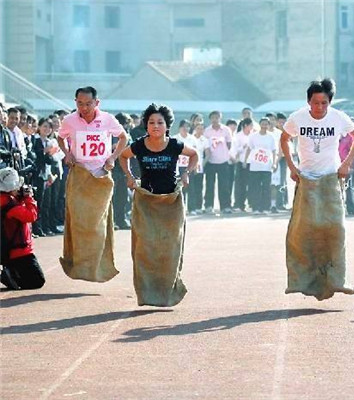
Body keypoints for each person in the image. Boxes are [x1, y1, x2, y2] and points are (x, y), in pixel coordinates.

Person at [280, 78, 354, 300]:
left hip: (331, 178)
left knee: (336, 228)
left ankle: (338, 279)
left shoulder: (338, 118)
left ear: (329, 102)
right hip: (306, 179)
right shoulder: (297, 118)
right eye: (316, 103)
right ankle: (300, 281)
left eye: (324, 103)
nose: (320, 108)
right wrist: (291, 166)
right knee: (303, 230)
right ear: (309, 101)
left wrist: (346, 163)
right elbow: (285, 138)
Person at [119, 103, 198, 307]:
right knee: (145, 247)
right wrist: (129, 176)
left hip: (170, 202)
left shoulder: (174, 145)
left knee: (169, 247)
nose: (155, 126)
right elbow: (123, 156)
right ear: (146, 125)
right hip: (146, 201)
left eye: (160, 122)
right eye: (151, 122)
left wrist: (186, 173)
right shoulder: (139, 145)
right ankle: (146, 293)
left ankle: (167, 291)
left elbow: (194, 155)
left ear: (167, 125)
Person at [57, 87, 128, 283]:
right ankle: (78, 264)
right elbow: (60, 137)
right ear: (75, 102)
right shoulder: (69, 120)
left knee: (98, 225)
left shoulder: (107, 120)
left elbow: (123, 137)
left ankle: (99, 267)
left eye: (88, 103)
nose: (84, 107)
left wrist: (113, 158)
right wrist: (67, 153)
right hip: (79, 174)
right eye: (80, 103)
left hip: (100, 176)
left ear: (97, 103)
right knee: (78, 222)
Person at [0, 167, 45, 290]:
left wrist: (21, 198)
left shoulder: (7, 199)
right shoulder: (8, 203)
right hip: (18, 251)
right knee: (37, 281)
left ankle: (12, 271)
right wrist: (29, 198)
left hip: (11, 249)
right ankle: (12, 274)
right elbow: (31, 216)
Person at [245, 118, 277, 214]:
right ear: (259, 124)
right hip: (255, 165)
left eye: (266, 124)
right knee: (255, 187)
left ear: (268, 125)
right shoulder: (253, 136)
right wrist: (246, 160)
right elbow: (249, 148)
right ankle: (256, 207)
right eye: (262, 124)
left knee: (266, 187)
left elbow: (274, 150)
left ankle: (265, 208)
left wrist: (274, 163)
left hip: (267, 166)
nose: (264, 126)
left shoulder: (271, 136)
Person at [204, 111, 232, 214]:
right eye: (213, 118)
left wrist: (223, 153)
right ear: (210, 119)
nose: (215, 119)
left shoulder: (226, 130)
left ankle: (225, 206)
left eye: (217, 117)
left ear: (220, 118)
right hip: (210, 161)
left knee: (224, 185)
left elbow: (229, 144)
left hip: (223, 161)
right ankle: (208, 205)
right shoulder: (207, 131)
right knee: (210, 185)